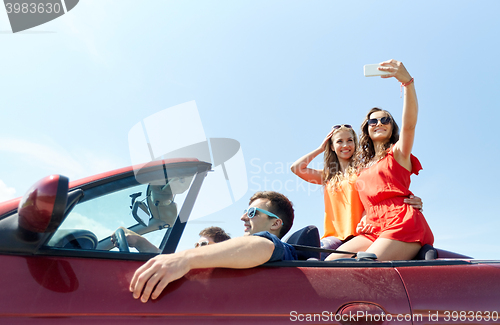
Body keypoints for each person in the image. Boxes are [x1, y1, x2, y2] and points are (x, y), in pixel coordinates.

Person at [325, 59, 433, 261]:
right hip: (373, 225)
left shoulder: (398, 153)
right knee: (331, 262)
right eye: (373, 121)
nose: (379, 123)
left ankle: (418, 251)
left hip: (400, 221)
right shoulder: (361, 167)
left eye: (385, 120)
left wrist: (407, 83)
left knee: (364, 264)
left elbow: (409, 125)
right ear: (367, 128)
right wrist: (365, 216)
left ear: (392, 127)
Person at [129, 191, 297, 303]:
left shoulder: (280, 249)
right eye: (246, 211)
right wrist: (140, 243)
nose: (243, 217)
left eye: (252, 213)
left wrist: (185, 258)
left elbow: (263, 245)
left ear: (275, 223)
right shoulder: (242, 254)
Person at [290, 124, 423, 253]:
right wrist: (320, 148)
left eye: (350, 140)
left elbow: (386, 188)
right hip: (334, 237)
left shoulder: (364, 171)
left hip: (362, 233)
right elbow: (296, 168)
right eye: (339, 141)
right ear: (331, 146)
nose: (345, 145)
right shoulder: (327, 175)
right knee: (314, 252)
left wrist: (409, 199)